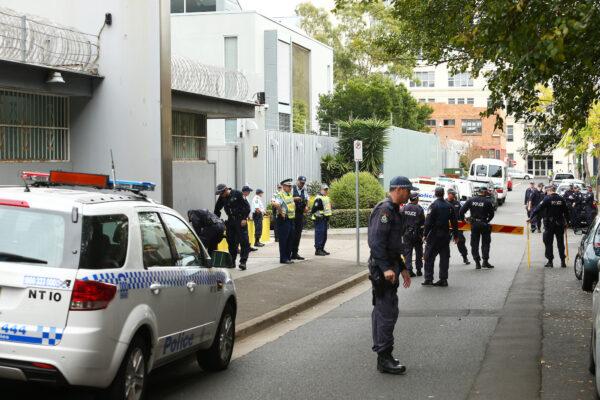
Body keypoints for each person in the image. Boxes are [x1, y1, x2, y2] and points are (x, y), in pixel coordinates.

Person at [368, 176, 414, 375]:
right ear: (400, 189)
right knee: (386, 312)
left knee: (387, 311)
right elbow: (376, 242)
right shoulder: (385, 210)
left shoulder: (395, 210)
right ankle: (384, 358)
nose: (410, 194)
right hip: (382, 270)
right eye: (408, 190)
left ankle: (385, 353)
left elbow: (394, 243)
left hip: (391, 266)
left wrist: (402, 267)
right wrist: (386, 267)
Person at [422, 187, 459, 287]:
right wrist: (456, 235)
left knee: (429, 257)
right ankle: (443, 279)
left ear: (435, 194)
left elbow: (428, 222)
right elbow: (454, 222)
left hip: (434, 235)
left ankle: (429, 279)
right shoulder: (449, 206)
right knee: (444, 258)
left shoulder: (433, 206)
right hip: (445, 235)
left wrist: (425, 234)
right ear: (443, 194)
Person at [529, 185, 570, 268]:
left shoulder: (547, 198)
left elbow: (538, 208)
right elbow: (566, 211)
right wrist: (567, 222)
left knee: (548, 243)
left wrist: (531, 218)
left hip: (549, 224)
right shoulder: (561, 199)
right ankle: (563, 261)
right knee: (560, 243)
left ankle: (550, 261)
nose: (546, 192)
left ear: (549, 190)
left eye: (547, 191)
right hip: (559, 223)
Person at [214, 183, 251, 270]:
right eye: (220, 194)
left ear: (226, 189)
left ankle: (243, 262)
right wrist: (216, 220)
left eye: (222, 193)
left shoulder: (237, 194)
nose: (221, 195)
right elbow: (217, 209)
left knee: (244, 241)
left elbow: (247, 207)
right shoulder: (222, 197)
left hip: (240, 220)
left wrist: (244, 218)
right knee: (231, 242)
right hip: (230, 221)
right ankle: (232, 261)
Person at [459, 186, 495, 270]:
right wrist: (487, 220)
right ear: (485, 192)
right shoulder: (488, 201)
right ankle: (485, 262)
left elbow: (461, 211)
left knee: (474, 244)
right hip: (484, 224)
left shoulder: (471, 200)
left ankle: (477, 263)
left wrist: (463, 221)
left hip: (474, 224)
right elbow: (492, 214)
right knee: (485, 243)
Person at [272, 179, 296, 264]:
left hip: (291, 219)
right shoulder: (280, 194)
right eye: (288, 186)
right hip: (283, 219)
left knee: (290, 238)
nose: (290, 188)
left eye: (291, 186)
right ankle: (283, 258)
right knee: (284, 239)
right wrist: (281, 212)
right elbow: (275, 204)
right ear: (284, 186)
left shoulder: (289, 194)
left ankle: (288, 257)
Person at [402, 191, 425, 277]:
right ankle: (419, 270)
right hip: (417, 234)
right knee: (419, 252)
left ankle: (409, 270)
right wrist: (423, 235)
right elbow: (423, 222)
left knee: (408, 252)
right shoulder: (419, 209)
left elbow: (401, 221)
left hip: (406, 234)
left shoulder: (404, 208)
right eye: (418, 198)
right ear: (416, 199)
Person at [446, 188, 470, 265]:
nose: (454, 196)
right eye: (453, 194)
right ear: (449, 194)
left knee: (461, 241)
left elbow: (461, 213)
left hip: (457, 226)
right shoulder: (444, 202)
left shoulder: (457, 203)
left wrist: (464, 220)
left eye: (454, 195)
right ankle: (445, 258)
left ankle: (465, 257)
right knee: (445, 243)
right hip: (446, 227)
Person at [291, 176, 309, 260]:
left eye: (303, 183)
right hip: (292, 214)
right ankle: (289, 253)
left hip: (300, 214)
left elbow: (307, 199)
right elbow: (287, 198)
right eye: (301, 182)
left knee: (298, 234)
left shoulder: (304, 190)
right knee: (291, 234)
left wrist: (307, 207)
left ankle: (295, 253)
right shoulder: (292, 188)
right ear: (297, 181)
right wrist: (295, 198)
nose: (302, 184)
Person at [311, 184, 332, 256]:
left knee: (324, 235)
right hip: (319, 219)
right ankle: (318, 250)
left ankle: (322, 248)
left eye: (326, 189)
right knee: (319, 234)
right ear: (321, 190)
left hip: (324, 219)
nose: (326, 191)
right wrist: (319, 216)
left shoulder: (326, 197)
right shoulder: (318, 198)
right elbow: (313, 210)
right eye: (324, 189)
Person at [241, 186, 257, 252]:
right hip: (241, 219)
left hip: (244, 219)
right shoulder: (241, 198)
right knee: (241, 235)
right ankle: (240, 248)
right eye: (249, 191)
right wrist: (243, 217)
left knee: (245, 234)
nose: (249, 193)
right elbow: (242, 209)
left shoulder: (244, 198)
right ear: (245, 191)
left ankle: (247, 246)